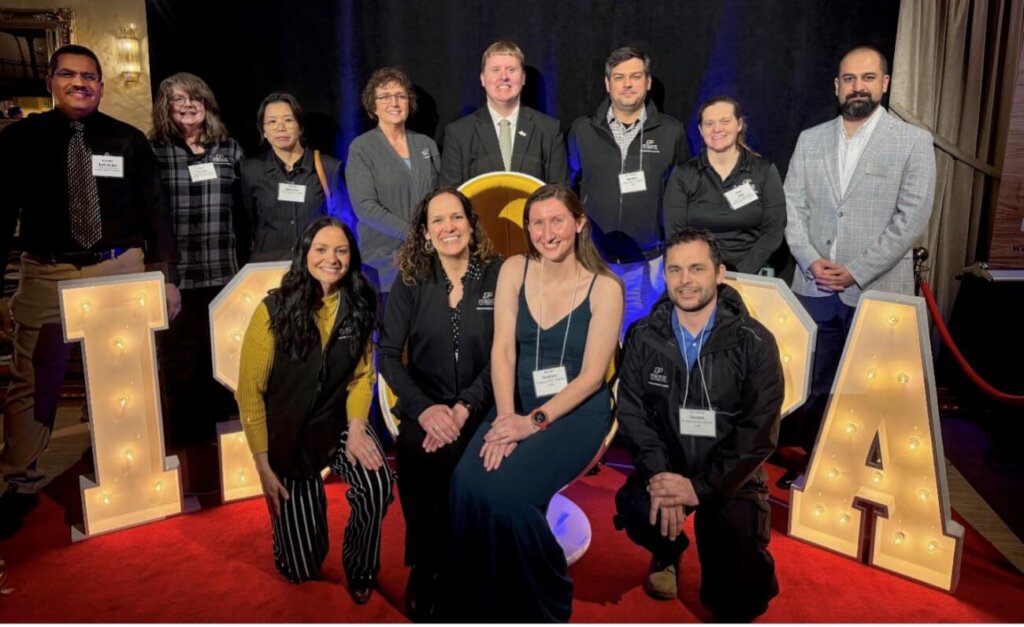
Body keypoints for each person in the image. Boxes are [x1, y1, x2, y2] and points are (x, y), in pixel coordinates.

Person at [0, 45, 179, 535]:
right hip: (47, 272)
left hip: (118, 266)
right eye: (68, 74)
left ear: (101, 84)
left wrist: (166, 275)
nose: (80, 83)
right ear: (50, 80)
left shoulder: (127, 140)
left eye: (89, 76)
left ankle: (129, 469)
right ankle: (19, 482)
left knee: (128, 373)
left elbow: (155, 209)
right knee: (32, 379)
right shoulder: (19, 140)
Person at [444, 184, 622, 622]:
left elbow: (591, 377)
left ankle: (543, 601)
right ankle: (480, 600)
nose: (547, 232)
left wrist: (532, 423)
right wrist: (506, 418)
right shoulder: (515, 270)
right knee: (466, 483)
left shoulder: (606, 288)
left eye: (557, 220)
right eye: (537, 222)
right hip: (516, 400)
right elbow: (502, 351)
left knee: (508, 497)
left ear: (579, 223)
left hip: (576, 410)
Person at [613, 227, 783, 622]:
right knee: (636, 505)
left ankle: (729, 560)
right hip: (668, 466)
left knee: (736, 603)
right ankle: (669, 551)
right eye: (674, 270)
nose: (685, 281)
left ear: (719, 274)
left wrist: (701, 488)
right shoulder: (642, 335)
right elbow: (632, 410)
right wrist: (661, 475)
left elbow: (758, 432)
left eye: (696, 269)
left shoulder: (754, 342)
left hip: (731, 475)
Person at [782, 45, 935, 478]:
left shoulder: (912, 142)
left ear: (884, 84)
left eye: (868, 78)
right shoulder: (810, 139)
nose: (858, 87)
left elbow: (911, 221)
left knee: (868, 390)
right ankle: (816, 471)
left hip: (877, 289)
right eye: (849, 79)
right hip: (814, 288)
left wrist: (857, 271)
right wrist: (811, 260)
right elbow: (792, 208)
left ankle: (859, 474)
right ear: (836, 86)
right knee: (812, 385)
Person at [235, 217, 394, 603]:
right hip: (289, 438)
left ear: (351, 256)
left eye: (341, 250)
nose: (332, 259)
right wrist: (263, 467)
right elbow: (249, 393)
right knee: (299, 568)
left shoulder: (360, 303)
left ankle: (360, 569)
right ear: (304, 253)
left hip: (337, 424)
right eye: (321, 249)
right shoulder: (272, 310)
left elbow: (362, 377)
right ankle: (302, 532)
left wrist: (358, 427)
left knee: (377, 482)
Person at [379, 187, 502, 620]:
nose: (448, 227)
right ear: (425, 234)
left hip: (484, 403)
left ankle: (477, 566)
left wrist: (466, 405)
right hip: (425, 403)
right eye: (438, 221)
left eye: (456, 218)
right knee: (417, 450)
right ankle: (427, 568)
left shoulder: (498, 274)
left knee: (476, 456)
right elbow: (388, 355)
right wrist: (425, 409)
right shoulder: (411, 280)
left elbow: (505, 353)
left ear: (471, 224)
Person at [150, 72, 245, 492]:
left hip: (224, 274)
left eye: (195, 98)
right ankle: (192, 460)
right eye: (177, 99)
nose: (187, 104)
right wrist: (165, 275)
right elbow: (151, 220)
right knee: (182, 369)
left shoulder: (230, 149)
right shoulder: (153, 151)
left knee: (224, 364)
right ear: (165, 106)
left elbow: (244, 211)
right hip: (177, 279)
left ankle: (226, 454)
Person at [568, 46, 688, 332]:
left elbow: (683, 194)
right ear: (607, 84)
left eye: (635, 76)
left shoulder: (672, 133)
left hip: (649, 262)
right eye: (619, 77)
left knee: (643, 337)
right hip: (593, 258)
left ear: (647, 82)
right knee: (593, 336)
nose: (628, 84)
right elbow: (568, 190)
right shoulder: (582, 131)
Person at [663, 96, 786, 277]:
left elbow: (774, 229)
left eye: (725, 121)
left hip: (750, 273)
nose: (717, 129)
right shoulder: (683, 174)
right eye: (709, 123)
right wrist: (706, 272)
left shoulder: (764, 170)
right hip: (698, 274)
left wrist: (740, 272)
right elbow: (675, 233)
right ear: (700, 129)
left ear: (739, 124)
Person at [346, 68, 439, 300]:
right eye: (385, 96)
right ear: (373, 106)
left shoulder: (426, 145)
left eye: (401, 96)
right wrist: (413, 234)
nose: (394, 102)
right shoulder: (362, 147)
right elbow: (365, 206)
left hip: (430, 261)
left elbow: (440, 197)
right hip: (384, 264)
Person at [439, 41, 567, 187]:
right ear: (482, 79)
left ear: (523, 78)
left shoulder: (549, 130)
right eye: (495, 70)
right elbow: (448, 197)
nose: (503, 77)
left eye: (511, 70)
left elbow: (560, 193)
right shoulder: (459, 133)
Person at [241, 93, 342, 262]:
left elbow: (341, 220)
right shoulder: (250, 170)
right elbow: (247, 222)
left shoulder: (328, 167)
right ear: (263, 130)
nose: (280, 127)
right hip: (268, 265)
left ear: (300, 127)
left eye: (288, 120)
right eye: (272, 122)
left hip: (316, 264)